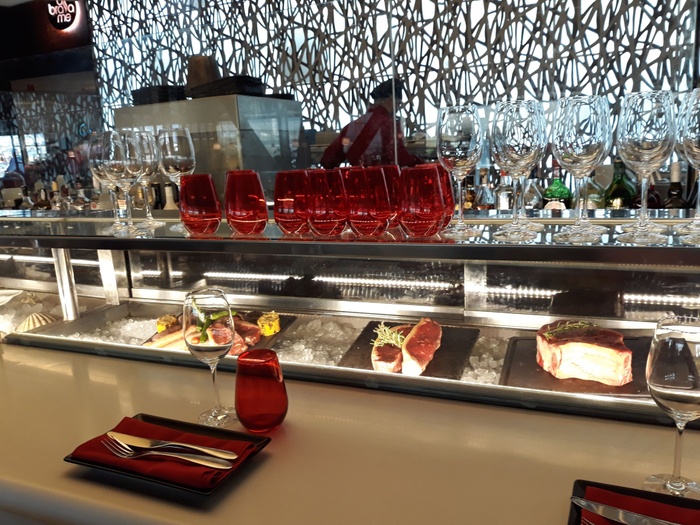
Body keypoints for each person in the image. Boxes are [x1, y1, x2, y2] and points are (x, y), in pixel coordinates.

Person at [320, 78, 422, 168]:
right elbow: (400, 157)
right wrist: (422, 164)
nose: (398, 109)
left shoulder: (353, 125)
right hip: (385, 181)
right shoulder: (390, 124)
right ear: (390, 101)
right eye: (398, 104)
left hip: (358, 181)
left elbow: (327, 159)